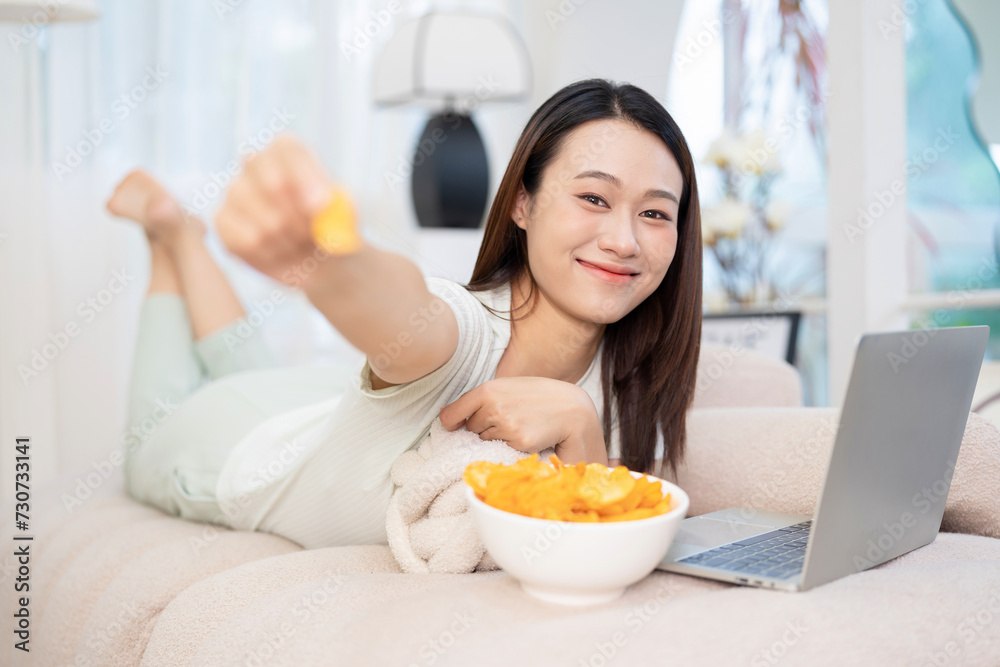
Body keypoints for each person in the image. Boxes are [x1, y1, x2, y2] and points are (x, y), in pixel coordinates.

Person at [109, 78, 702, 550]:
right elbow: (406, 310)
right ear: (523, 202)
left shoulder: (632, 373)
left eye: (655, 213)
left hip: (307, 404)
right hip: (233, 442)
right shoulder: (461, 331)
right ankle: (174, 239)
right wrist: (326, 258)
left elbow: (590, 544)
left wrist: (579, 421)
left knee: (249, 371)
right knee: (150, 439)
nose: (624, 240)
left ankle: (181, 236)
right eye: (593, 198)